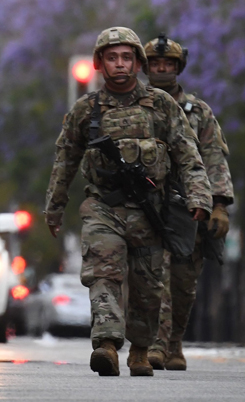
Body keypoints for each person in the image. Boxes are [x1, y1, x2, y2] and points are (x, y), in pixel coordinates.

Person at [44, 27, 211, 376]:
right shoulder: (85, 110)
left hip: (150, 211)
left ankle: (139, 348)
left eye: (126, 57)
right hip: (102, 206)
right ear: (99, 64)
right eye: (111, 57)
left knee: (148, 286)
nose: (119, 64)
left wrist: (200, 196)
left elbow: (187, 153)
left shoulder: (161, 106)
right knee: (103, 271)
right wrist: (55, 206)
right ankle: (106, 344)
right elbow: (65, 160)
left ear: (137, 63)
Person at [142, 34, 233, 371]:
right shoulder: (135, 106)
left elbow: (214, 157)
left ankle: (174, 341)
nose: (161, 68)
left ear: (179, 68)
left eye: (168, 64)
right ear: (146, 66)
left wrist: (219, 204)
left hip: (188, 205)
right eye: (155, 63)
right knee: (153, 275)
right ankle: (154, 343)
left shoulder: (198, 112)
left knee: (182, 282)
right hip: (147, 203)